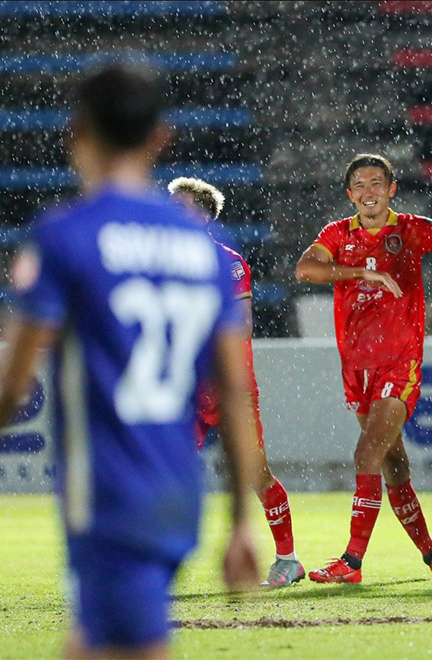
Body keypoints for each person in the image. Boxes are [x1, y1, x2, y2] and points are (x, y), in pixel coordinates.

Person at [0, 64, 259, 660]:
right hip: (178, 488)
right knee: (92, 642)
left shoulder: (66, 235)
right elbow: (234, 392)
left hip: (109, 491)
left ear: (76, 132)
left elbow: (11, 386)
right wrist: (240, 522)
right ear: (160, 137)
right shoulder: (205, 250)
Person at [295, 153, 432, 583]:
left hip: (399, 363)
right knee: (394, 466)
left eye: (376, 183)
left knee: (365, 454)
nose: (368, 192)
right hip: (357, 367)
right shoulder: (337, 233)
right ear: (350, 194)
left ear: (391, 189)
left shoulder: (410, 229)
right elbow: (305, 269)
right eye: (360, 185)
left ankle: (351, 562)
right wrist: (362, 274)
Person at [167, 177, 304, 588]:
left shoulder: (228, 263)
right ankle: (153, 567)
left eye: (181, 206)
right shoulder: (163, 262)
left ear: (204, 215)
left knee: (255, 473)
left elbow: (242, 324)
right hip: (186, 390)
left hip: (230, 387)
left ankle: (288, 560)